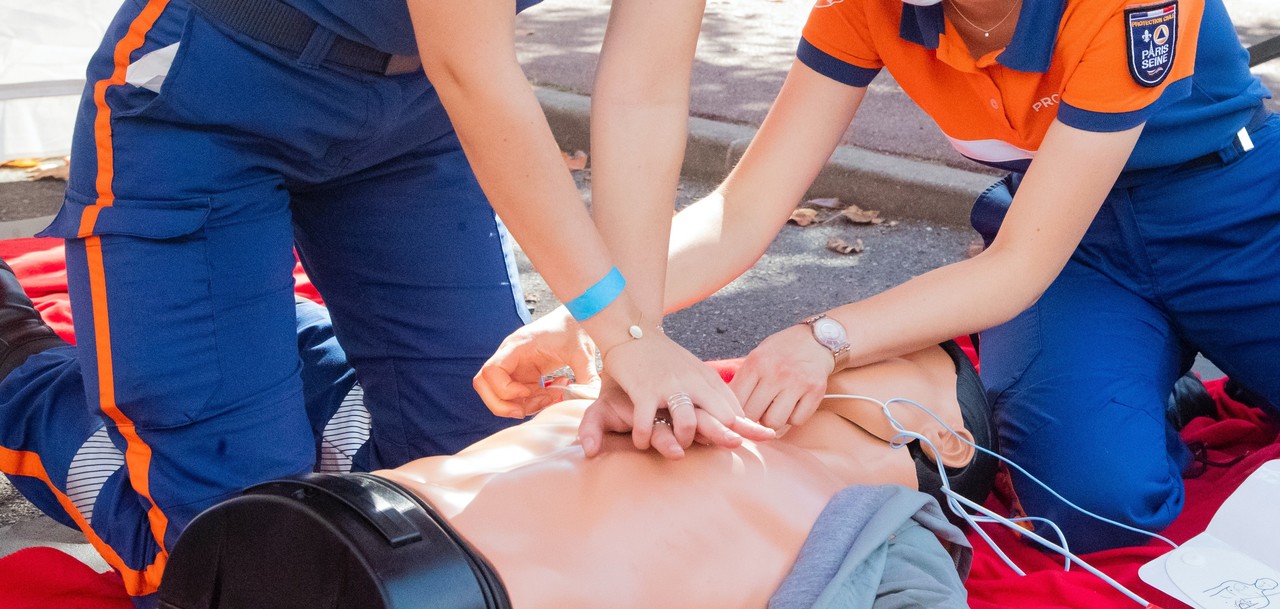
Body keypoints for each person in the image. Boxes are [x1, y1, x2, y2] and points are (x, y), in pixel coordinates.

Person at [0, 0, 773, 605]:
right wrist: (618, 330)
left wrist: (626, 338)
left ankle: (258, 337)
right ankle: (17, 363)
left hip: (407, 117)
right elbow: (470, 64)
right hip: (206, 102)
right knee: (242, 552)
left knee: (481, 480)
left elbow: (646, 88)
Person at [478, 0, 1280, 554]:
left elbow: (1016, 267)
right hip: (1076, 252)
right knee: (1096, 508)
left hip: (1228, 209)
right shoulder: (869, 7)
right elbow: (743, 209)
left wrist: (823, 338)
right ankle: (1154, 389)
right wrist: (601, 319)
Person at [156, 335, 996, 609]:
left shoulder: (890, 528)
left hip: (363, 556)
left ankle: (20, 354)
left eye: (861, 362)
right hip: (314, 525)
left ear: (949, 442)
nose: (802, 351)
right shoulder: (645, 393)